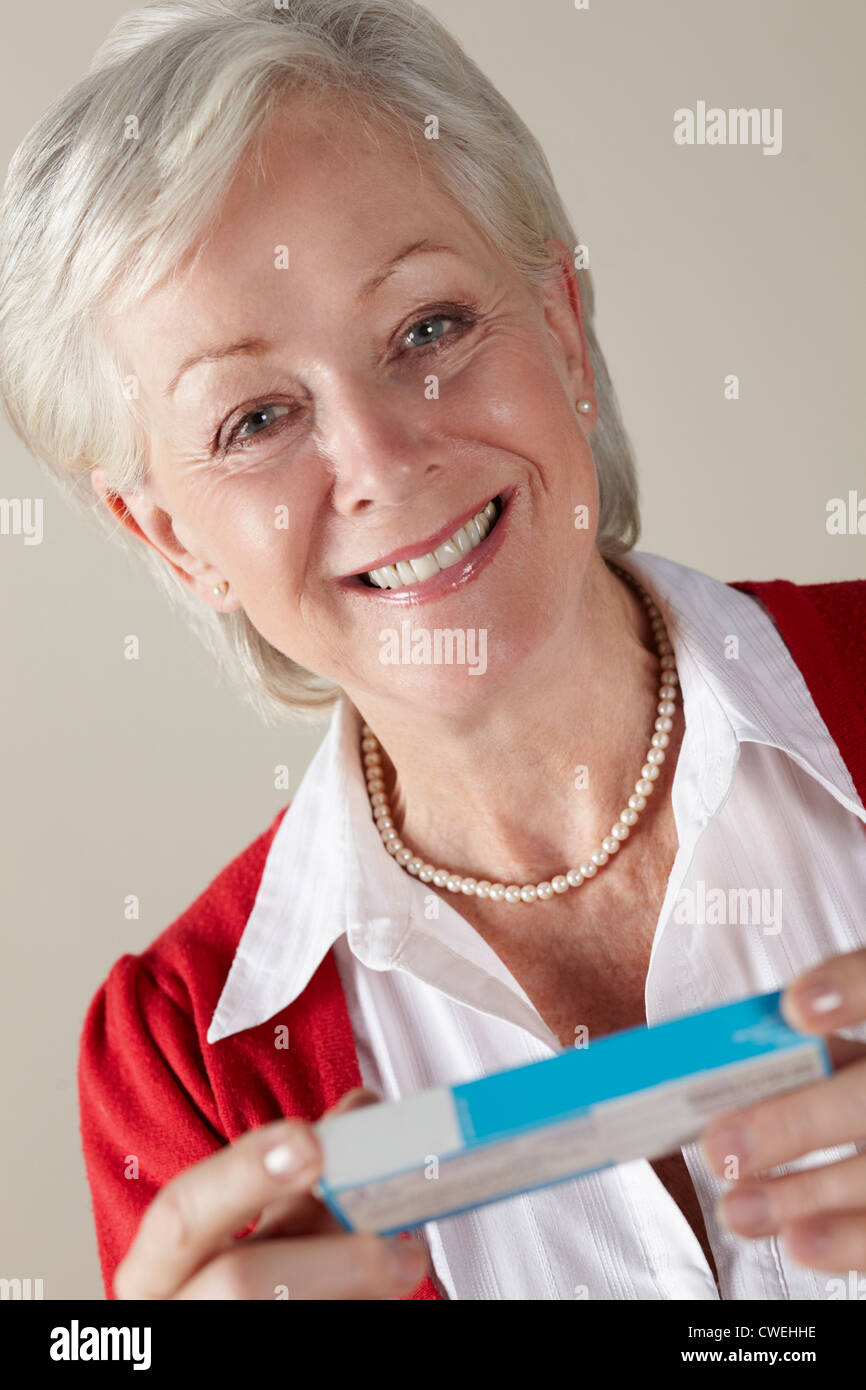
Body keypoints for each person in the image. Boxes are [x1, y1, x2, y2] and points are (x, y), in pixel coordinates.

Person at [1, 0, 864, 1302]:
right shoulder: (181, 1058)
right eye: (254, 417)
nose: (383, 459)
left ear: (561, 325)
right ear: (167, 535)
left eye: (426, 328)